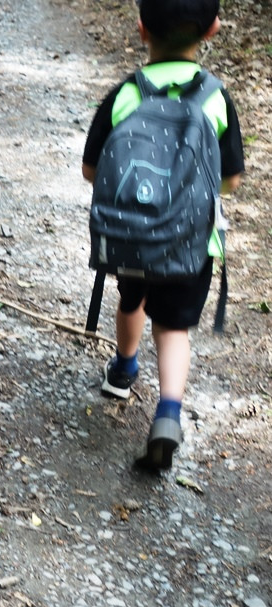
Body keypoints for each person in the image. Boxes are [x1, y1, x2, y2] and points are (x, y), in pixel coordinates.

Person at [82, 0, 243, 470]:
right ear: (212, 29)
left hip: (132, 238)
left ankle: (123, 370)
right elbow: (230, 180)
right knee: (173, 327)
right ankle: (169, 412)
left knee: (132, 298)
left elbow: (91, 170)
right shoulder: (215, 98)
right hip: (191, 244)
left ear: (141, 30)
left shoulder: (125, 95)